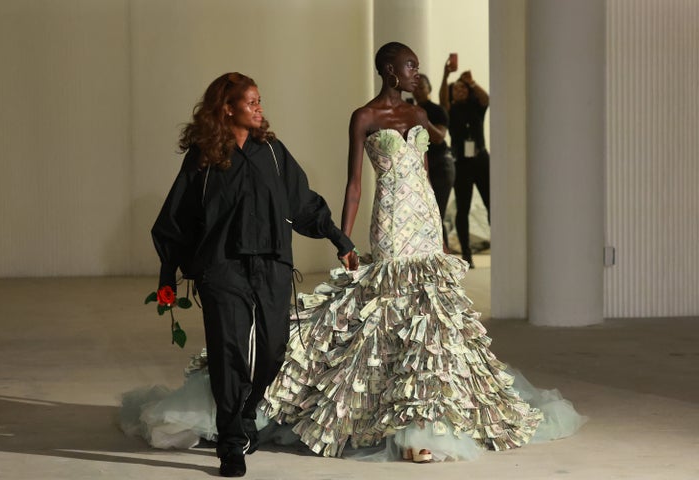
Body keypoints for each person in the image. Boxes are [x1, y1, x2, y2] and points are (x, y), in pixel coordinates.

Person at [261, 42, 586, 462]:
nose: (417, 72)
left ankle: (430, 418)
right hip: (392, 219)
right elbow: (355, 184)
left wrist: (441, 228)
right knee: (395, 308)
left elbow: (428, 176)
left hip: (426, 220)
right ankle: (395, 416)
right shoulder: (364, 116)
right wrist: (343, 239)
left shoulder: (418, 115)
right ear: (389, 71)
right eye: (410, 66)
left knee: (432, 313)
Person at [126, 72, 359, 478]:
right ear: (227, 106)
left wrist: (339, 239)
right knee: (228, 352)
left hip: (271, 264)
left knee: (273, 350)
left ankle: (246, 412)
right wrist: (168, 274)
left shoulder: (271, 152)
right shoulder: (204, 156)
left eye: (260, 101)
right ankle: (231, 441)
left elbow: (302, 202)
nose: (259, 108)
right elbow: (178, 218)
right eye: (251, 101)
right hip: (222, 267)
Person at [440, 59, 491, 268]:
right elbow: (442, 100)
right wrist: (445, 76)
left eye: (463, 88)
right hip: (461, 162)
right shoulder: (450, 111)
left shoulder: (476, 107)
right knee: (463, 208)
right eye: (456, 88)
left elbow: (486, 98)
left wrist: (471, 82)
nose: (459, 91)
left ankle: (500, 246)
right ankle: (467, 255)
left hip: (481, 159)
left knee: (491, 204)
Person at [411, 73, 454, 251]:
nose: (418, 91)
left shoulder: (436, 110)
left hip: (441, 167)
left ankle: (444, 260)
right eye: (415, 87)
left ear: (429, 89)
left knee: (436, 216)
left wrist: (422, 119)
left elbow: (439, 137)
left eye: (422, 87)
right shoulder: (410, 110)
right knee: (422, 216)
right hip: (422, 169)